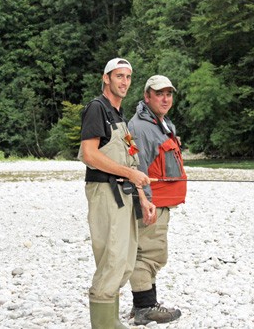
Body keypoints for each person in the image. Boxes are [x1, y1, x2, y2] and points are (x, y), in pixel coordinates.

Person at [78, 57, 157, 329]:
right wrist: (129, 174)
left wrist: (144, 197)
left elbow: (130, 162)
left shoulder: (119, 115)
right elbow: (89, 155)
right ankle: (103, 325)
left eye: (128, 77)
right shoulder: (96, 109)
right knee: (112, 259)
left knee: (125, 261)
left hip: (124, 193)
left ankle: (110, 321)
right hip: (104, 191)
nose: (124, 82)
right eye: (119, 76)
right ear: (106, 78)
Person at [127, 75, 187, 325]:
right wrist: (145, 201)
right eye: (159, 93)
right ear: (146, 96)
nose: (165, 98)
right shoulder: (140, 127)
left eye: (168, 94)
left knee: (154, 252)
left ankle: (144, 303)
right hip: (152, 202)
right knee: (148, 254)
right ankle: (144, 308)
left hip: (161, 201)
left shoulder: (159, 122)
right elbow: (136, 166)